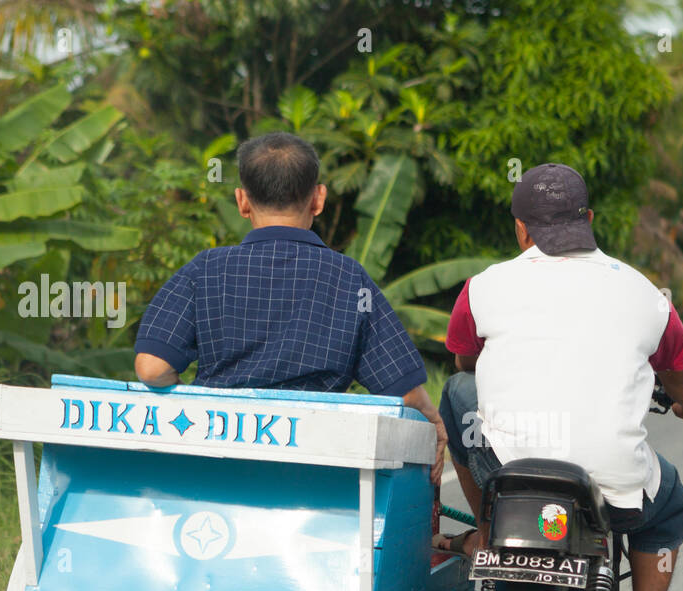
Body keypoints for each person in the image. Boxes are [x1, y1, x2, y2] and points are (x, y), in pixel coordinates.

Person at [437, 163, 683, 591]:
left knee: (457, 391)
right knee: (672, 507)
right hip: (614, 492)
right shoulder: (647, 296)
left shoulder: (482, 288)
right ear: (588, 218)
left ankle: (485, 526)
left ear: (519, 227)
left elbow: (464, 365)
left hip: (510, 476)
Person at [132, 132, 447, 482]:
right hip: (315, 473)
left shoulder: (205, 268)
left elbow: (151, 368)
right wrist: (434, 420)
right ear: (318, 198)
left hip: (218, 467)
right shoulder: (349, 277)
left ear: (242, 201)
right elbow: (403, 392)